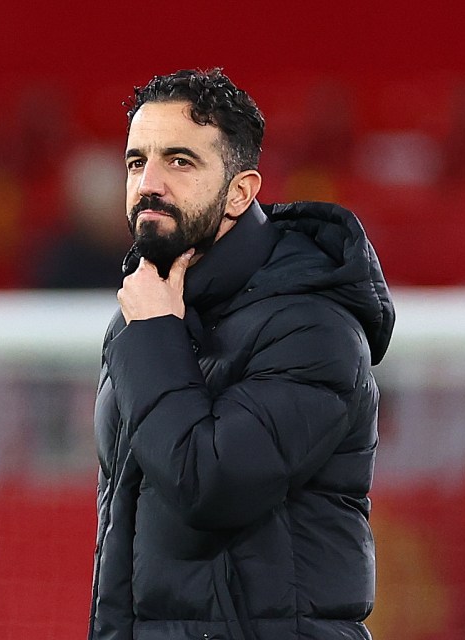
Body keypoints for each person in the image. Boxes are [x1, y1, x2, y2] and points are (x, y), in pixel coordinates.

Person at [89, 68, 395, 640]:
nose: (148, 183)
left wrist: (156, 333)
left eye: (180, 162)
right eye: (137, 162)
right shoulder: (147, 312)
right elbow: (122, 530)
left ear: (240, 190)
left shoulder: (313, 325)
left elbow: (210, 485)